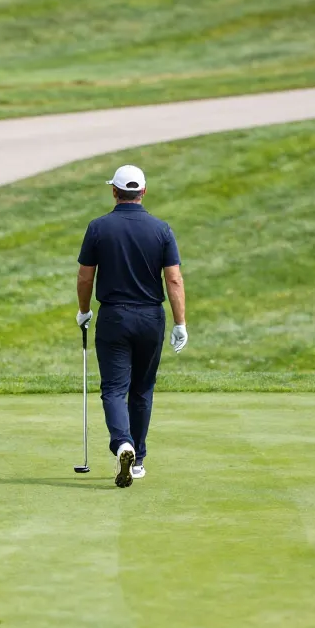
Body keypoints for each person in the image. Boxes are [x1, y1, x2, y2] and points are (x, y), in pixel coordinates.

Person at [76, 164, 187, 488]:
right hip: (150, 318)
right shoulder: (161, 229)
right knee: (141, 390)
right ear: (143, 192)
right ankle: (136, 459)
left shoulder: (98, 227)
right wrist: (180, 323)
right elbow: (174, 279)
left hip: (113, 317)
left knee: (113, 388)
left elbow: (86, 276)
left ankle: (122, 442)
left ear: (114, 191)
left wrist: (84, 311)